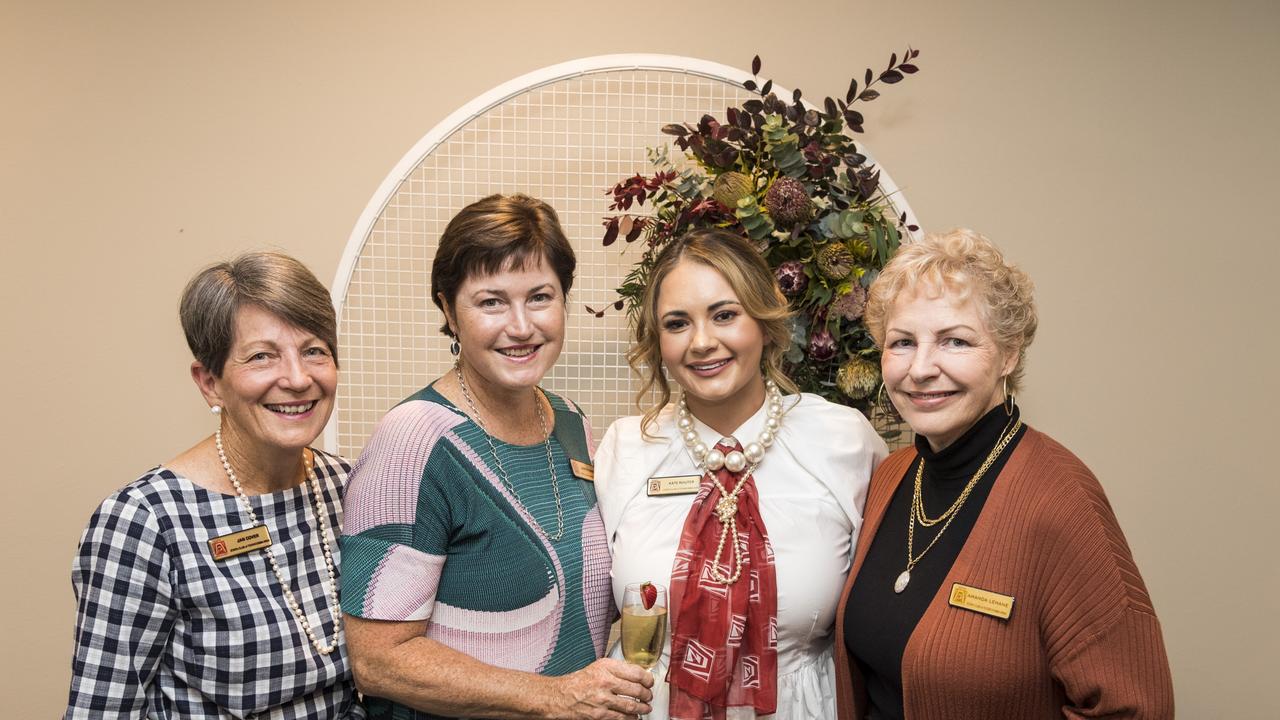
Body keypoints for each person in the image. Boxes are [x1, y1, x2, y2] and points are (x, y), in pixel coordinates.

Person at [835, 229, 1174, 719]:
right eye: (902, 342)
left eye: (955, 341)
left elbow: (1135, 708)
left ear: (1008, 354)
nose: (921, 368)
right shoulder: (891, 476)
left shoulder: (1061, 498)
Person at [340, 193, 653, 719]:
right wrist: (553, 698)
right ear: (448, 309)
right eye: (491, 302)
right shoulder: (415, 440)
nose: (521, 326)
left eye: (540, 297)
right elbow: (378, 661)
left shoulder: (572, 423)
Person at [596, 227, 889, 719]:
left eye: (724, 315)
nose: (702, 342)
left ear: (763, 319)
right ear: (657, 341)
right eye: (676, 323)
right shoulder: (626, 447)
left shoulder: (844, 440)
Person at [66, 251, 363, 718]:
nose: (297, 378)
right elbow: (102, 710)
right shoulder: (143, 523)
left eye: (314, 351)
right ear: (210, 383)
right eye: (262, 356)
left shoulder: (350, 487)